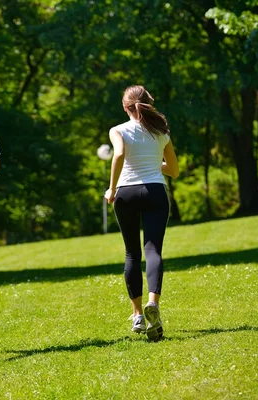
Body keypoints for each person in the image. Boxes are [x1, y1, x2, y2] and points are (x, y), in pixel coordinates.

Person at [104, 85, 179, 342]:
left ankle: (137, 315)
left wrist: (111, 189)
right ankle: (152, 304)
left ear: (125, 107)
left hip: (126, 193)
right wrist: (153, 160)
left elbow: (120, 154)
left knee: (131, 253)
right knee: (153, 250)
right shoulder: (162, 132)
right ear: (148, 103)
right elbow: (174, 170)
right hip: (155, 191)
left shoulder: (118, 130)